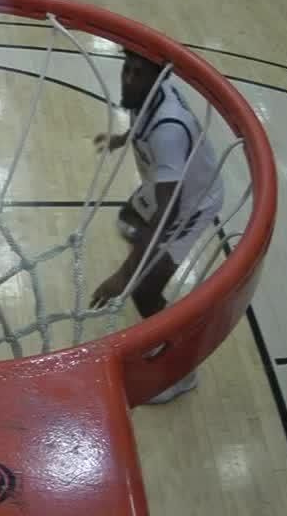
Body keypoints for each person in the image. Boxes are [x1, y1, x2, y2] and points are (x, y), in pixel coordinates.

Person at [89, 51, 224, 404]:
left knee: (143, 291)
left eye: (139, 73)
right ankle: (146, 251)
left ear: (159, 77)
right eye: (126, 68)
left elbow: (168, 212)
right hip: (167, 185)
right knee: (130, 218)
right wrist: (122, 139)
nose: (129, 78)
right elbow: (141, 116)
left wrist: (125, 272)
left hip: (190, 203)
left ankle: (183, 371)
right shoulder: (149, 96)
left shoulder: (168, 131)